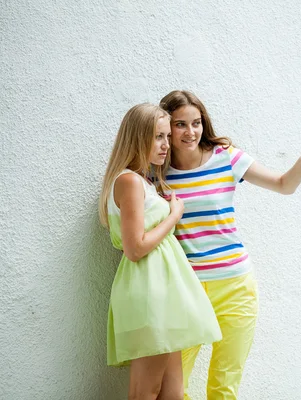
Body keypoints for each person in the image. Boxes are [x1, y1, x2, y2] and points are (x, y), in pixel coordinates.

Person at [158, 90, 301, 400]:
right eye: (180, 124)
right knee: (173, 388)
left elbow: (283, 185)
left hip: (235, 285)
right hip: (186, 289)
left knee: (223, 387)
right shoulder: (157, 171)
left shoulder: (226, 157)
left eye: (196, 123)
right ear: (166, 127)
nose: (190, 132)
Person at [98, 103, 222, 400]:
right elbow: (135, 248)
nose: (166, 144)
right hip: (149, 292)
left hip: (165, 293)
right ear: (137, 137)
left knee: (173, 393)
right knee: (146, 392)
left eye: (167, 136)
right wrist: (173, 216)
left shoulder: (145, 182)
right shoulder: (128, 181)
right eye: (158, 137)